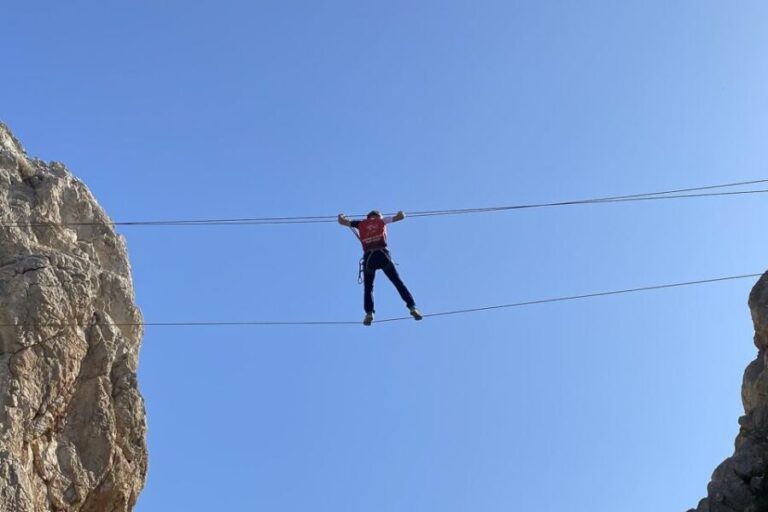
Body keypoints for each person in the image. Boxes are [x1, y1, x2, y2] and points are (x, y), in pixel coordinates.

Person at [338, 210, 423, 326]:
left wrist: (341, 217)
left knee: (368, 288)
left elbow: (342, 222)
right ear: (379, 216)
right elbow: (400, 217)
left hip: (369, 259)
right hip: (383, 255)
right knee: (398, 282)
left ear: (368, 217)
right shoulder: (382, 220)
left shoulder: (360, 223)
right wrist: (401, 213)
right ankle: (412, 307)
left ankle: (369, 313)